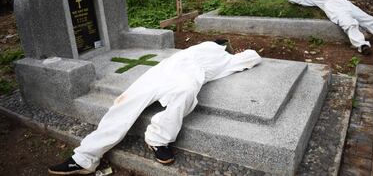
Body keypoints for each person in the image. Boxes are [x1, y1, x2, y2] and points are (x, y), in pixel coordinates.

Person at [48, 40, 262, 175]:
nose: (223, 43)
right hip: (164, 68)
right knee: (125, 102)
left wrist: (244, 53)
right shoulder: (201, 46)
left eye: (226, 43)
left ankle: (158, 138)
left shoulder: (227, 59)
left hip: (190, 74)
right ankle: (84, 158)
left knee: (186, 93)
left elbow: (253, 57)